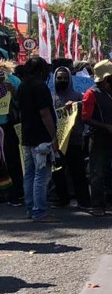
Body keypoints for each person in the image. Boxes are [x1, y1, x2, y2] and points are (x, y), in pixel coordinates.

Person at [82, 59, 112, 217]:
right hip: (99, 138)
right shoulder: (91, 93)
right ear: (105, 76)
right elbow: (86, 118)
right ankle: (98, 205)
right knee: (97, 172)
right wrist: (108, 127)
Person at [17, 57, 58, 222]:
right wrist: (54, 135)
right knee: (41, 175)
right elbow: (45, 113)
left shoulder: (22, 86)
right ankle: (39, 211)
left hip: (27, 136)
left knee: (30, 174)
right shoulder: (40, 86)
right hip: (41, 138)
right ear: (42, 70)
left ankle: (30, 208)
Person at [51, 65, 90, 209]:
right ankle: (62, 199)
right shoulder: (51, 96)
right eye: (59, 78)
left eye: (65, 78)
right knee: (58, 172)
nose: (62, 80)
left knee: (78, 172)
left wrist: (77, 105)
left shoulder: (78, 96)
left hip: (74, 140)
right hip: (57, 141)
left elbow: (86, 113)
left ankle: (84, 200)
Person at [0, 60, 24, 205]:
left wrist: (13, 92)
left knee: (12, 160)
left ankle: (15, 193)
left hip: (9, 126)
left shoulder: (14, 81)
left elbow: (22, 103)